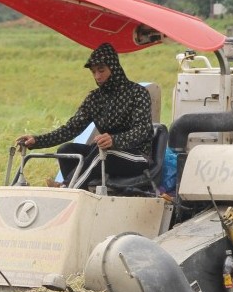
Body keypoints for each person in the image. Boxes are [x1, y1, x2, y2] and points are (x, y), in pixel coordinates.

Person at [16, 43, 154, 189]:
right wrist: (37, 141)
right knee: (66, 151)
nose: (97, 76)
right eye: (93, 72)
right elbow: (71, 129)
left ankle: (67, 189)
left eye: (101, 70)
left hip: (137, 156)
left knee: (102, 153)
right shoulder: (94, 98)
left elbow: (143, 130)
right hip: (107, 152)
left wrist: (115, 140)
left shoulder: (138, 93)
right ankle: (83, 192)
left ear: (114, 68)